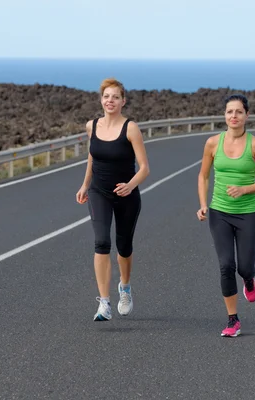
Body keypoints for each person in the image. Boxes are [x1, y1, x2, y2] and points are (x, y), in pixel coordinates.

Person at [196, 94, 255, 337]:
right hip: (220, 212)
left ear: (247, 115)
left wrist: (245, 189)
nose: (234, 116)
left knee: (245, 267)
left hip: (249, 213)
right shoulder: (212, 143)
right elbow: (203, 176)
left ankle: (249, 279)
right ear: (224, 116)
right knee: (226, 265)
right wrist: (203, 204)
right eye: (230, 112)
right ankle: (232, 320)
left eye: (239, 112)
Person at [76, 78, 150, 321]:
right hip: (99, 192)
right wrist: (86, 185)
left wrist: (131, 185)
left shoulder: (130, 128)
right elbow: (91, 158)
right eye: (107, 96)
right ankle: (104, 303)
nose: (110, 101)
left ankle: (125, 288)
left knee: (124, 247)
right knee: (101, 242)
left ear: (123, 101)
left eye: (115, 97)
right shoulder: (92, 126)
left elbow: (145, 168)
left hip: (126, 195)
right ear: (101, 100)